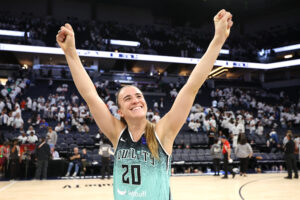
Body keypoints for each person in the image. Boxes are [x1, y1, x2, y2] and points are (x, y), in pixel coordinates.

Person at [57, 9, 233, 199]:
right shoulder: (117, 133)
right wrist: (70, 52)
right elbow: (90, 95)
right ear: (121, 111)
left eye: (139, 96)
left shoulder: (163, 131)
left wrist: (218, 40)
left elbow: (191, 87)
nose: (135, 100)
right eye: (128, 98)